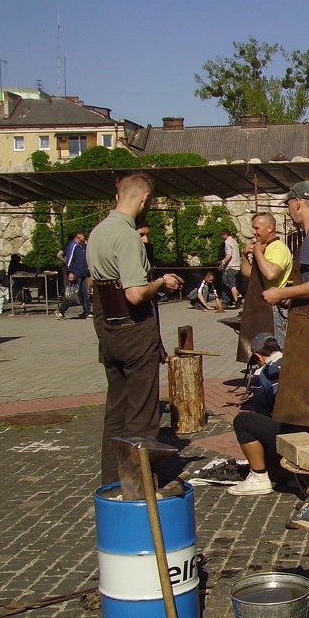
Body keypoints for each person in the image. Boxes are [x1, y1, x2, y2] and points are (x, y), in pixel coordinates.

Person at [229, 180, 309, 495]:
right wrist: (294, 297)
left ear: (298, 204)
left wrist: (284, 291)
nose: (289, 212)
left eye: (288, 206)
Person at [86, 173, 184, 485]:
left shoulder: (98, 232)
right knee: (142, 415)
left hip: (108, 331)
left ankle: (112, 482)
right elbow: (135, 293)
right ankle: (139, 487)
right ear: (143, 200)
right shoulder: (126, 236)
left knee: (116, 412)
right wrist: (161, 282)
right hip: (132, 328)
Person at [241, 212, 293, 346]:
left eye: (256, 228)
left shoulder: (278, 249)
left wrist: (257, 251)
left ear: (270, 228)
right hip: (261, 307)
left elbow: (271, 273)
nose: (253, 232)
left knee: (276, 349)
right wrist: (245, 256)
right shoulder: (266, 248)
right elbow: (248, 273)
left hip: (274, 309)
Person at [55, 231, 92, 320]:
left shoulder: (82, 246)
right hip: (76, 273)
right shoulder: (73, 246)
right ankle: (61, 310)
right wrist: (70, 271)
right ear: (78, 235)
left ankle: (87, 312)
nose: (84, 237)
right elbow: (70, 259)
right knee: (74, 294)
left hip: (83, 273)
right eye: (83, 235)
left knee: (85, 294)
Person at [247, 332, 283, 416]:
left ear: (258, 356)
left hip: (283, 422)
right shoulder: (294, 362)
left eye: (256, 362)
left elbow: (262, 412)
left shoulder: (260, 374)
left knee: (241, 420)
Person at [218, 228, 242, 308]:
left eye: (222, 235)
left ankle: (236, 300)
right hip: (237, 266)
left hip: (231, 266)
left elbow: (229, 255)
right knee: (230, 283)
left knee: (231, 285)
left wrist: (222, 263)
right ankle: (238, 296)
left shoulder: (227, 242)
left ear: (224, 234)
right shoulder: (234, 241)